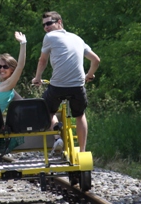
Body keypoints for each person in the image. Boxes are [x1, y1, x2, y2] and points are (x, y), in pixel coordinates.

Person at [31, 11, 100, 152]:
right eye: (44, 25)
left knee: (46, 110)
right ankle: (82, 151)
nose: (46, 27)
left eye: (49, 23)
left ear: (59, 22)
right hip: (78, 86)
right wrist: (90, 75)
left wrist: (37, 78)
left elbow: (42, 60)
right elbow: (96, 60)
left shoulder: (49, 37)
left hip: (58, 86)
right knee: (80, 115)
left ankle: (58, 137)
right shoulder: (77, 38)